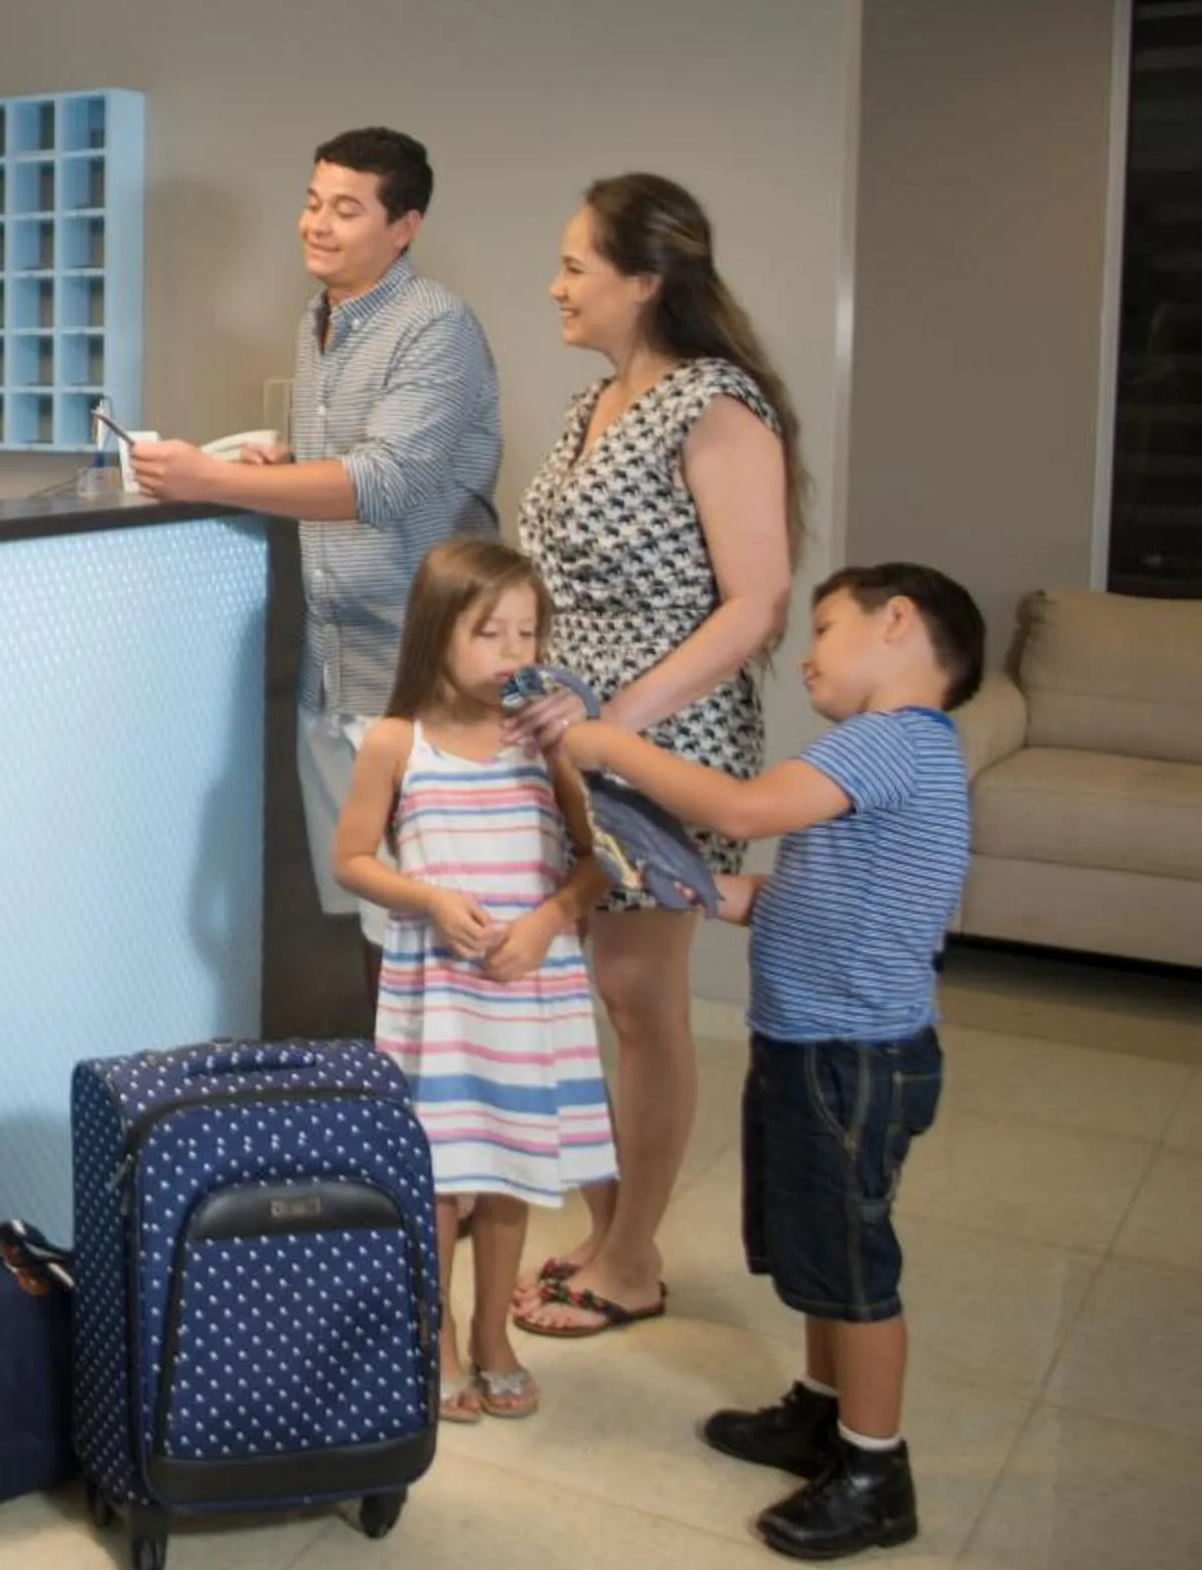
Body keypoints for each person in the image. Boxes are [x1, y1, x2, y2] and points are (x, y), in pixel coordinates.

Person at [551, 564, 981, 1560]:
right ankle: (822, 1411)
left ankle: (875, 1470)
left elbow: (745, 809)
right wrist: (719, 891)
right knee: (817, 1249)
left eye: (827, 629)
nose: (811, 654)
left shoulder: (891, 738)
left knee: (854, 1266)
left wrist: (611, 741)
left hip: (851, 1055)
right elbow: (813, 885)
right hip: (816, 1043)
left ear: (900, 621)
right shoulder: (894, 753)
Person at [505, 173, 802, 1341]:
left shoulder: (716, 403)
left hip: (657, 735)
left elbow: (757, 600)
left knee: (640, 997)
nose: (557, 284)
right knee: (599, 991)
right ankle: (608, 1228)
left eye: (577, 264)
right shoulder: (597, 402)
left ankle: (631, 1258)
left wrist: (619, 720)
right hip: (570, 737)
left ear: (647, 279)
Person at [130, 128, 502, 995]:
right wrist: (286, 459)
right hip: (334, 666)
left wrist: (210, 478)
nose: (317, 225)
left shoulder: (434, 323)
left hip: (416, 670)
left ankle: (432, 1118)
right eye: (311, 201)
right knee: (371, 915)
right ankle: (385, 1107)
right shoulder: (321, 318)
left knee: (432, 920)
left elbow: (387, 480)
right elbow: (351, 457)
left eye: (345, 208)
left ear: (403, 226)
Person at [332, 538, 614, 1426]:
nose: (515, 654)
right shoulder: (394, 741)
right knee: (441, 1177)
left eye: (528, 634)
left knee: (509, 1174)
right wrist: (428, 898)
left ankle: (495, 1335)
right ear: (435, 633)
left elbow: (600, 860)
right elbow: (350, 861)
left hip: (530, 991)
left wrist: (547, 921)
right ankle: (437, 1337)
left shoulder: (549, 742)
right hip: (439, 999)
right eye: (491, 633)